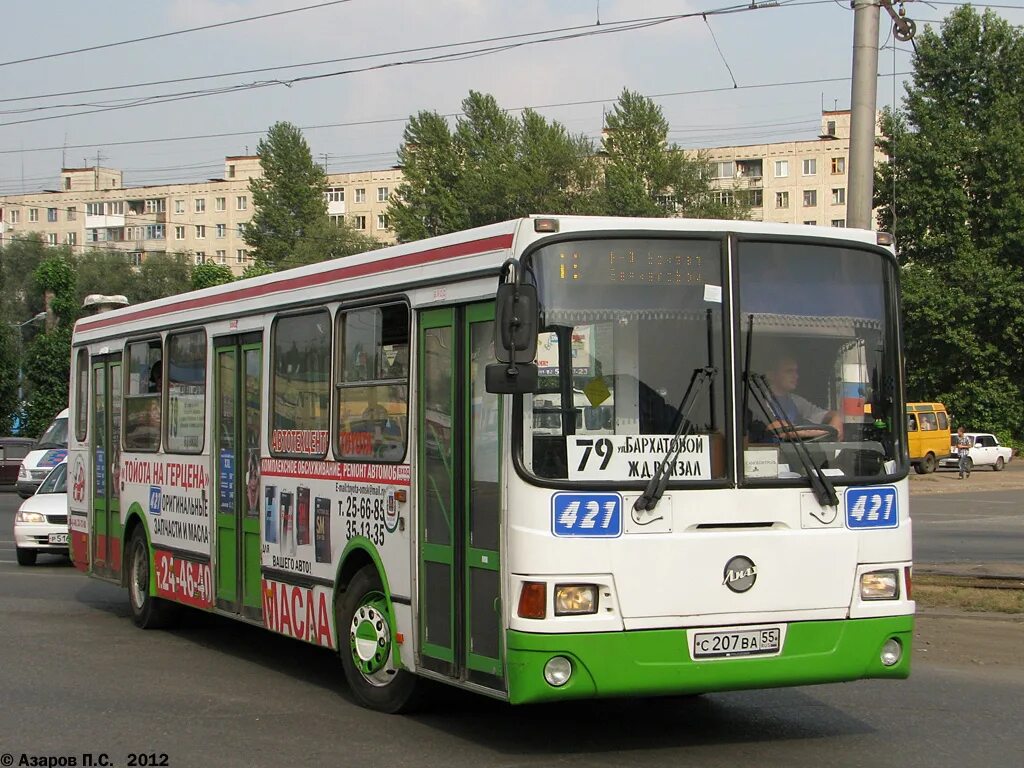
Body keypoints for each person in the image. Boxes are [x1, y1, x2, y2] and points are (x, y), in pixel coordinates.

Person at [760, 353, 843, 441]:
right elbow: (777, 427)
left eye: (796, 371)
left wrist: (836, 417)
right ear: (771, 375)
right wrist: (828, 432)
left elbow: (822, 415)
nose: (796, 376)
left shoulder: (796, 401)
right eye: (789, 371)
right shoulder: (760, 400)